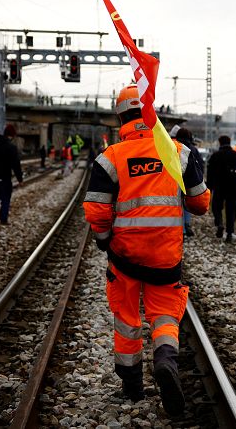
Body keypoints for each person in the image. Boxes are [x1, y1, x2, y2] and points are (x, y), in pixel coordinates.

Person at [82, 84, 210, 415]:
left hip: (124, 256)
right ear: (152, 112)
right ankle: (165, 358)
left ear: (121, 117)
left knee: (127, 317)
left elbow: (96, 211)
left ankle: (132, 386)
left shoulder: (110, 157)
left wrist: (103, 239)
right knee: (165, 312)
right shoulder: (178, 152)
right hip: (165, 256)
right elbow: (201, 204)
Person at [207, 135, 236, 243]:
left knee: (216, 207)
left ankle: (219, 223)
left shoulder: (215, 156)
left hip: (219, 186)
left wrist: (209, 188)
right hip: (233, 187)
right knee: (230, 210)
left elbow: (210, 173)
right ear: (229, 142)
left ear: (220, 143)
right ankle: (229, 234)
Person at [171, 125, 204, 238]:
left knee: (177, 204)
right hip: (189, 181)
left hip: (174, 181)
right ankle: (187, 224)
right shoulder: (193, 149)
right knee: (187, 204)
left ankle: (182, 229)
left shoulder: (172, 147)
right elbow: (200, 165)